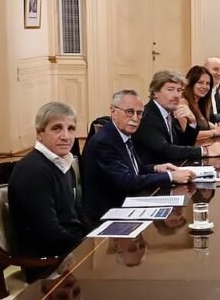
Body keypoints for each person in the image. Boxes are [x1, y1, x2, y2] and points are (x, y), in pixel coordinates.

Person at [82, 90, 196, 224]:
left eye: (139, 113)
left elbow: (135, 170)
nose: (135, 119)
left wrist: (156, 168)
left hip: (127, 204)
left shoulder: (122, 134)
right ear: (113, 112)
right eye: (130, 112)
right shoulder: (105, 141)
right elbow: (127, 181)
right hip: (108, 214)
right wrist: (170, 177)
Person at [8, 102, 91, 280]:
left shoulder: (63, 162)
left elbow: (77, 213)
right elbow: (48, 233)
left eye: (71, 129)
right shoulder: (34, 171)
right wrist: (88, 248)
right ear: (39, 134)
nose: (66, 136)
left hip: (70, 251)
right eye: (57, 128)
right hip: (48, 264)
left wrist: (96, 240)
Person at [133, 70, 220, 165]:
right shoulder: (147, 116)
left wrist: (192, 122)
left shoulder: (168, 112)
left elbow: (183, 143)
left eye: (179, 90)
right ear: (155, 93)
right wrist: (205, 151)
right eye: (170, 89)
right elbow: (165, 150)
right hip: (153, 174)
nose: (177, 95)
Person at [180, 65, 220, 142]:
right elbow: (185, 134)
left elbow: (202, 122)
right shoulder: (182, 103)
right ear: (191, 83)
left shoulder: (200, 102)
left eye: (208, 83)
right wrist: (214, 132)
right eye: (200, 82)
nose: (205, 87)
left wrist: (219, 127)